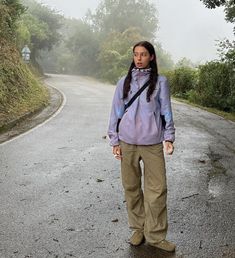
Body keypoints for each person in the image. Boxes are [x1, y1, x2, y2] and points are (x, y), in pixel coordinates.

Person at [107, 41, 176, 252]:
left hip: (152, 143)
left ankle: (155, 235)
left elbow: (166, 110)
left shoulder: (160, 82)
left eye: (143, 54)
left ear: (151, 57)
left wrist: (169, 137)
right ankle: (138, 228)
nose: (138, 58)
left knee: (157, 190)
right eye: (136, 54)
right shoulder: (124, 82)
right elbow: (116, 112)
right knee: (131, 188)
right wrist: (114, 140)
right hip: (127, 142)